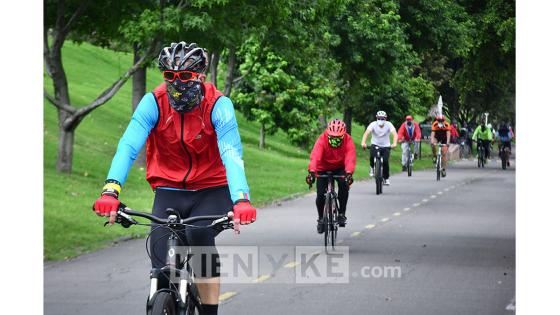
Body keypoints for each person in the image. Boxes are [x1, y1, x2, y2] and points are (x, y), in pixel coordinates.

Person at [92, 42, 256, 315]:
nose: (177, 83)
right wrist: (110, 192)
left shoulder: (219, 105)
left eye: (185, 77)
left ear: (200, 76)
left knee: (199, 236)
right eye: (169, 76)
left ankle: (209, 312)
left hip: (211, 189)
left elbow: (231, 154)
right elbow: (128, 146)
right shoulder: (152, 103)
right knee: (160, 262)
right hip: (168, 191)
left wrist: (241, 199)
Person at [307, 119, 356, 233]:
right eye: (332, 138)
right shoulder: (322, 140)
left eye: (338, 138)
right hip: (323, 167)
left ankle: (342, 214)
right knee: (320, 195)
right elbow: (315, 156)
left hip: (340, 167)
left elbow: (350, 157)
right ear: (327, 134)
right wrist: (312, 172)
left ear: (343, 136)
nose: (335, 140)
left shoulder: (348, 140)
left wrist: (349, 172)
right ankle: (320, 219)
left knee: (344, 185)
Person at [361, 111, 398, 185]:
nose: (381, 120)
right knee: (372, 155)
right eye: (379, 118)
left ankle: (386, 178)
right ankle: (372, 167)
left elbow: (395, 134)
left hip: (386, 146)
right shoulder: (373, 124)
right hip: (375, 144)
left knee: (385, 161)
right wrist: (363, 142)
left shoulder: (389, 124)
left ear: (385, 119)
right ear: (376, 118)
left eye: (383, 118)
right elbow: (366, 133)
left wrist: (394, 143)